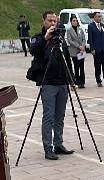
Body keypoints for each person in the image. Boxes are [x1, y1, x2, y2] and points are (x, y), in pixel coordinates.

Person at [27, 11, 74, 160]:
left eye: (55, 21)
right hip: (47, 82)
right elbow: (33, 50)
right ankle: (48, 148)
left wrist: (71, 80)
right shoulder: (38, 37)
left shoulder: (60, 38)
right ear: (44, 21)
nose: (53, 23)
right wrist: (45, 38)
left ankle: (58, 144)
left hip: (62, 81)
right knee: (49, 116)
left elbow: (67, 59)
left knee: (60, 115)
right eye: (50, 21)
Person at [87, 11, 104, 87]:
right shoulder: (91, 26)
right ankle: (98, 81)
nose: (100, 18)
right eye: (98, 16)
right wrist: (92, 49)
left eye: (100, 16)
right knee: (97, 66)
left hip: (103, 49)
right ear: (94, 17)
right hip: (96, 49)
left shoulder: (103, 26)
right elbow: (90, 39)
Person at [65, 15, 86, 89]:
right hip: (74, 51)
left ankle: (82, 82)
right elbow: (70, 41)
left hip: (81, 51)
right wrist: (78, 46)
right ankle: (77, 82)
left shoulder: (80, 29)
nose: (75, 22)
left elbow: (84, 39)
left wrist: (83, 46)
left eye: (76, 21)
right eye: (73, 21)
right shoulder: (69, 30)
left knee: (82, 66)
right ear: (71, 22)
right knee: (76, 67)